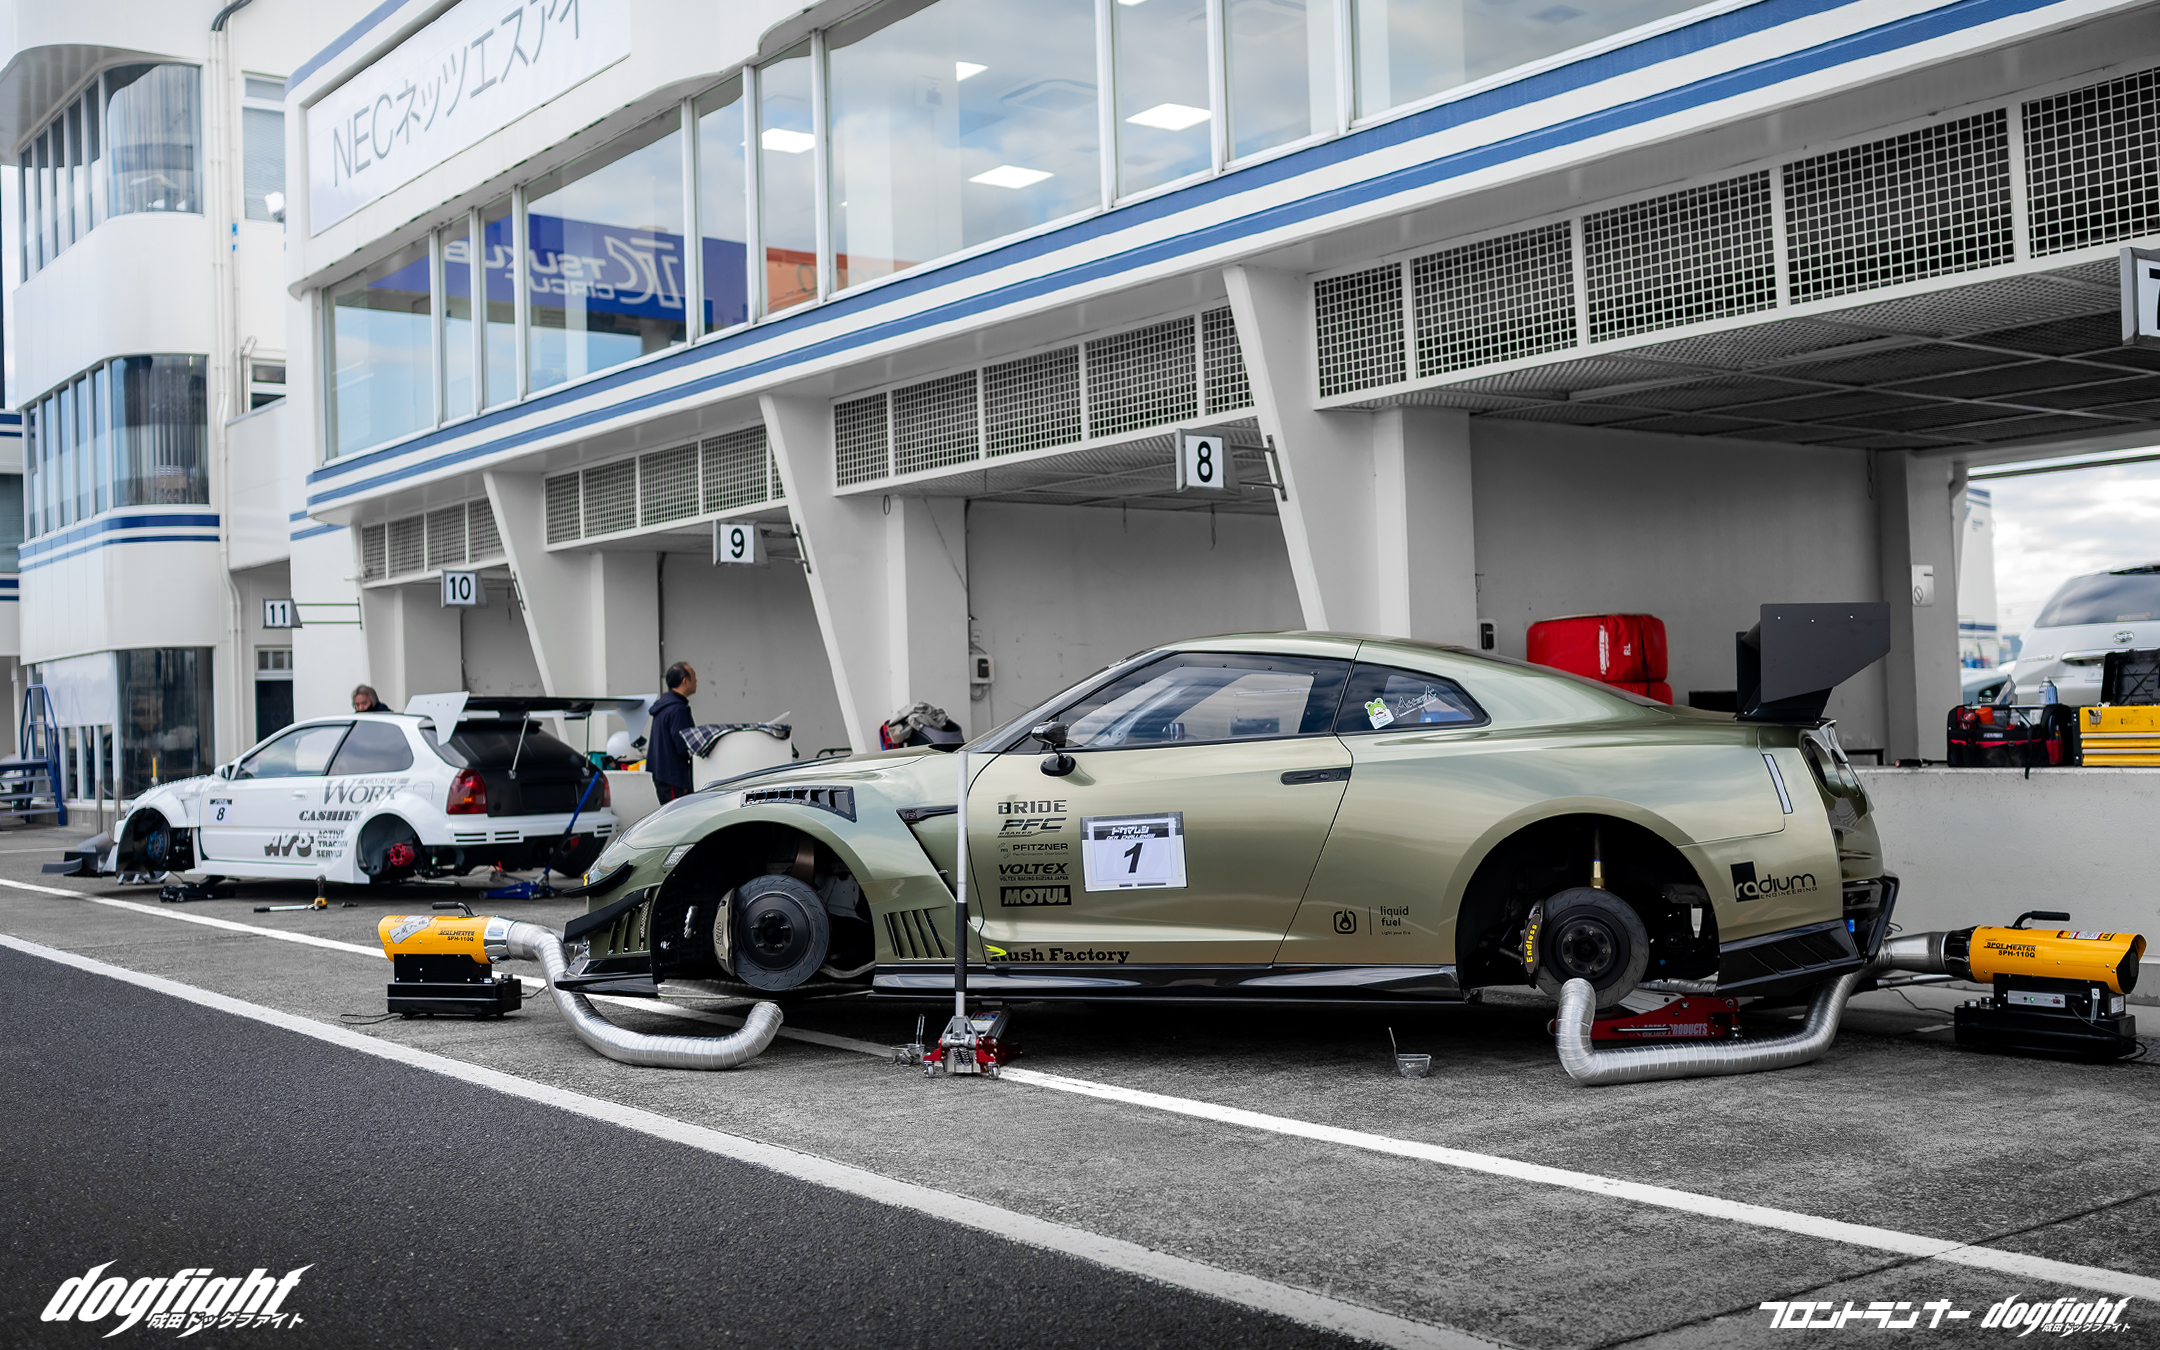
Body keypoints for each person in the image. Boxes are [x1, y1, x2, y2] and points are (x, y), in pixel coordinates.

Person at [647, 663, 697, 802]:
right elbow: (683, 745)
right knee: (680, 813)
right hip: (674, 777)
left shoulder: (664, 705)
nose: (696, 681)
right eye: (694, 676)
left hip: (662, 774)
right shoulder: (677, 709)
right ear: (685, 681)